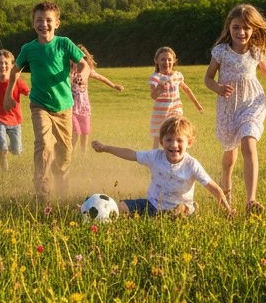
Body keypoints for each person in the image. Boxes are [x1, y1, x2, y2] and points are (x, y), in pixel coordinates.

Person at [204, 3, 266, 216]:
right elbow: (208, 78)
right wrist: (217, 88)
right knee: (229, 156)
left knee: (249, 144)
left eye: (246, 28)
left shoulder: (256, 51)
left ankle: (251, 200)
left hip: (251, 104)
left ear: (253, 29)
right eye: (236, 27)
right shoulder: (220, 52)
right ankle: (226, 191)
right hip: (228, 108)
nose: (241, 32)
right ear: (228, 28)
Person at [5, 1, 85, 204]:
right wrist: (8, 95)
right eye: (39, 20)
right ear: (33, 23)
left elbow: (84, 64)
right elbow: (15, 71)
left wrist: (82, 76)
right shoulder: (28, 49)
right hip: (40, 105)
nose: (44, 24)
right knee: (44, 144)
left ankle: (62, 192)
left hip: (64, 108)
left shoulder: (64, 43)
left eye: (48, 20)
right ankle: (42, 192)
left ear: (57, 23)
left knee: (64, 154)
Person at [91, 116, 234, 217]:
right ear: (161, 142)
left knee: (181, 210)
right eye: (169, 140)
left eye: (179, 140)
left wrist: (227, 209)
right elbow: (131, 154)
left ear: (189, 143)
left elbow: (212, 187)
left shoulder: (192, 165)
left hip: (180, 208)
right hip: (152, 205)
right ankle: (91, 208)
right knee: (121, 206)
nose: (174, 145)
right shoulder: (155, 156)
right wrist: (105, 148)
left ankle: (182, 213)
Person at [70, 45, 125, 154]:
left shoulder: (87, 70)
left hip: (84, 106)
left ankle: (83, 155)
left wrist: (113, 85)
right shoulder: (68, 71)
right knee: (75, 131)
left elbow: (101, 77)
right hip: (71, 107)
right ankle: (70, 154)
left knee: (85, 133)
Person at [147, 46, 204, 150]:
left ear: (174, 61)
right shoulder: (155, 77)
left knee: (176, 131)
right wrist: (159, 88)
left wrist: (198, 105)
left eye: (169, 59)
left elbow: (186, 90)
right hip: (160, 113)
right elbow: (153, 95)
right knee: (157, 137)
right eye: (163, 59)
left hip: (175, 111)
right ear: (156, 61)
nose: (166, 62)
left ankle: (177, 152)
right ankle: (155, 157)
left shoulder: (177, 75)